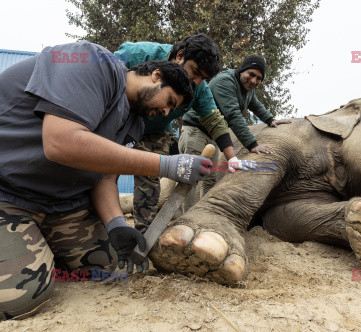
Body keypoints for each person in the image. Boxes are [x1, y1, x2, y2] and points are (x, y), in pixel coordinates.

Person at [0, 41, 211, 321]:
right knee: (23, 295)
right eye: (169, 102)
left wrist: (116, 224)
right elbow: (61, 142)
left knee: (113, 266)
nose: (164, 113)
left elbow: (105, 179)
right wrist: (166, 164)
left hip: (62, 205)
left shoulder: (133, 124)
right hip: (9, 193)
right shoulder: (91, 62)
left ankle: (41, 249)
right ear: (156, 76)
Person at [114, 34, 255, 229]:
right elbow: (106, 76)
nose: (195, 81)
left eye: (202, 78)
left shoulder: (199, 89)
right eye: (194, 71)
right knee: (107, 167)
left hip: (155, 132)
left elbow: (215, 120)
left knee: (149, 179)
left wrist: (232, 158)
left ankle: (143, 232)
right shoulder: (140, 54)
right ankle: (106, 221)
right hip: (120, 120)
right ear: (179, 55)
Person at [179, 55, 291, 209]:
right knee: (190, 176)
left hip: (214, 135)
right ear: (242, 71)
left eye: (258, 78)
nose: (253, 81)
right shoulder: (226, 82)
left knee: (210, 179)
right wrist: (252, 144)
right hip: (195, 130)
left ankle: (204, 213)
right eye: (251, 74)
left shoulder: (247, 90)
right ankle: (187, 217)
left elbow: (255, 105)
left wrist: (270, 120)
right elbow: (233, 115)